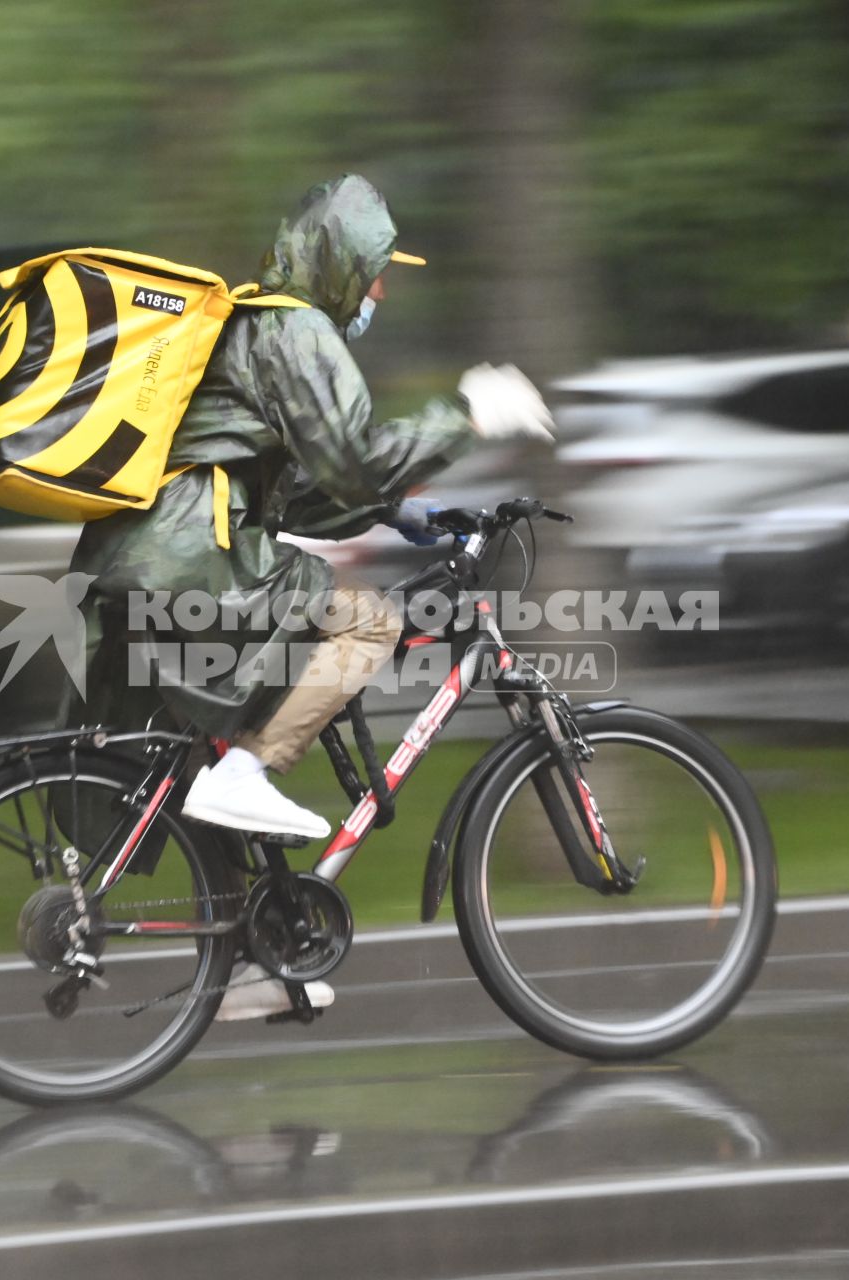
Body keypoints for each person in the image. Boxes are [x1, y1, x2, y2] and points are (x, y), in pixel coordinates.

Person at [67, 174, 554, 1018]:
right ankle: (254, 768)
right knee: (366, 622)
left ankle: (251, 967)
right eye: (373, 271)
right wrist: (468, 417)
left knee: (215, 750)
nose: (380, 290)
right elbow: (354, 458)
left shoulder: (261, 330)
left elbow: (303, 490)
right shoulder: (296, 331)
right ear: (339, 264)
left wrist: (401, 514)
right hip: (185, 557)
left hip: (144, 563)